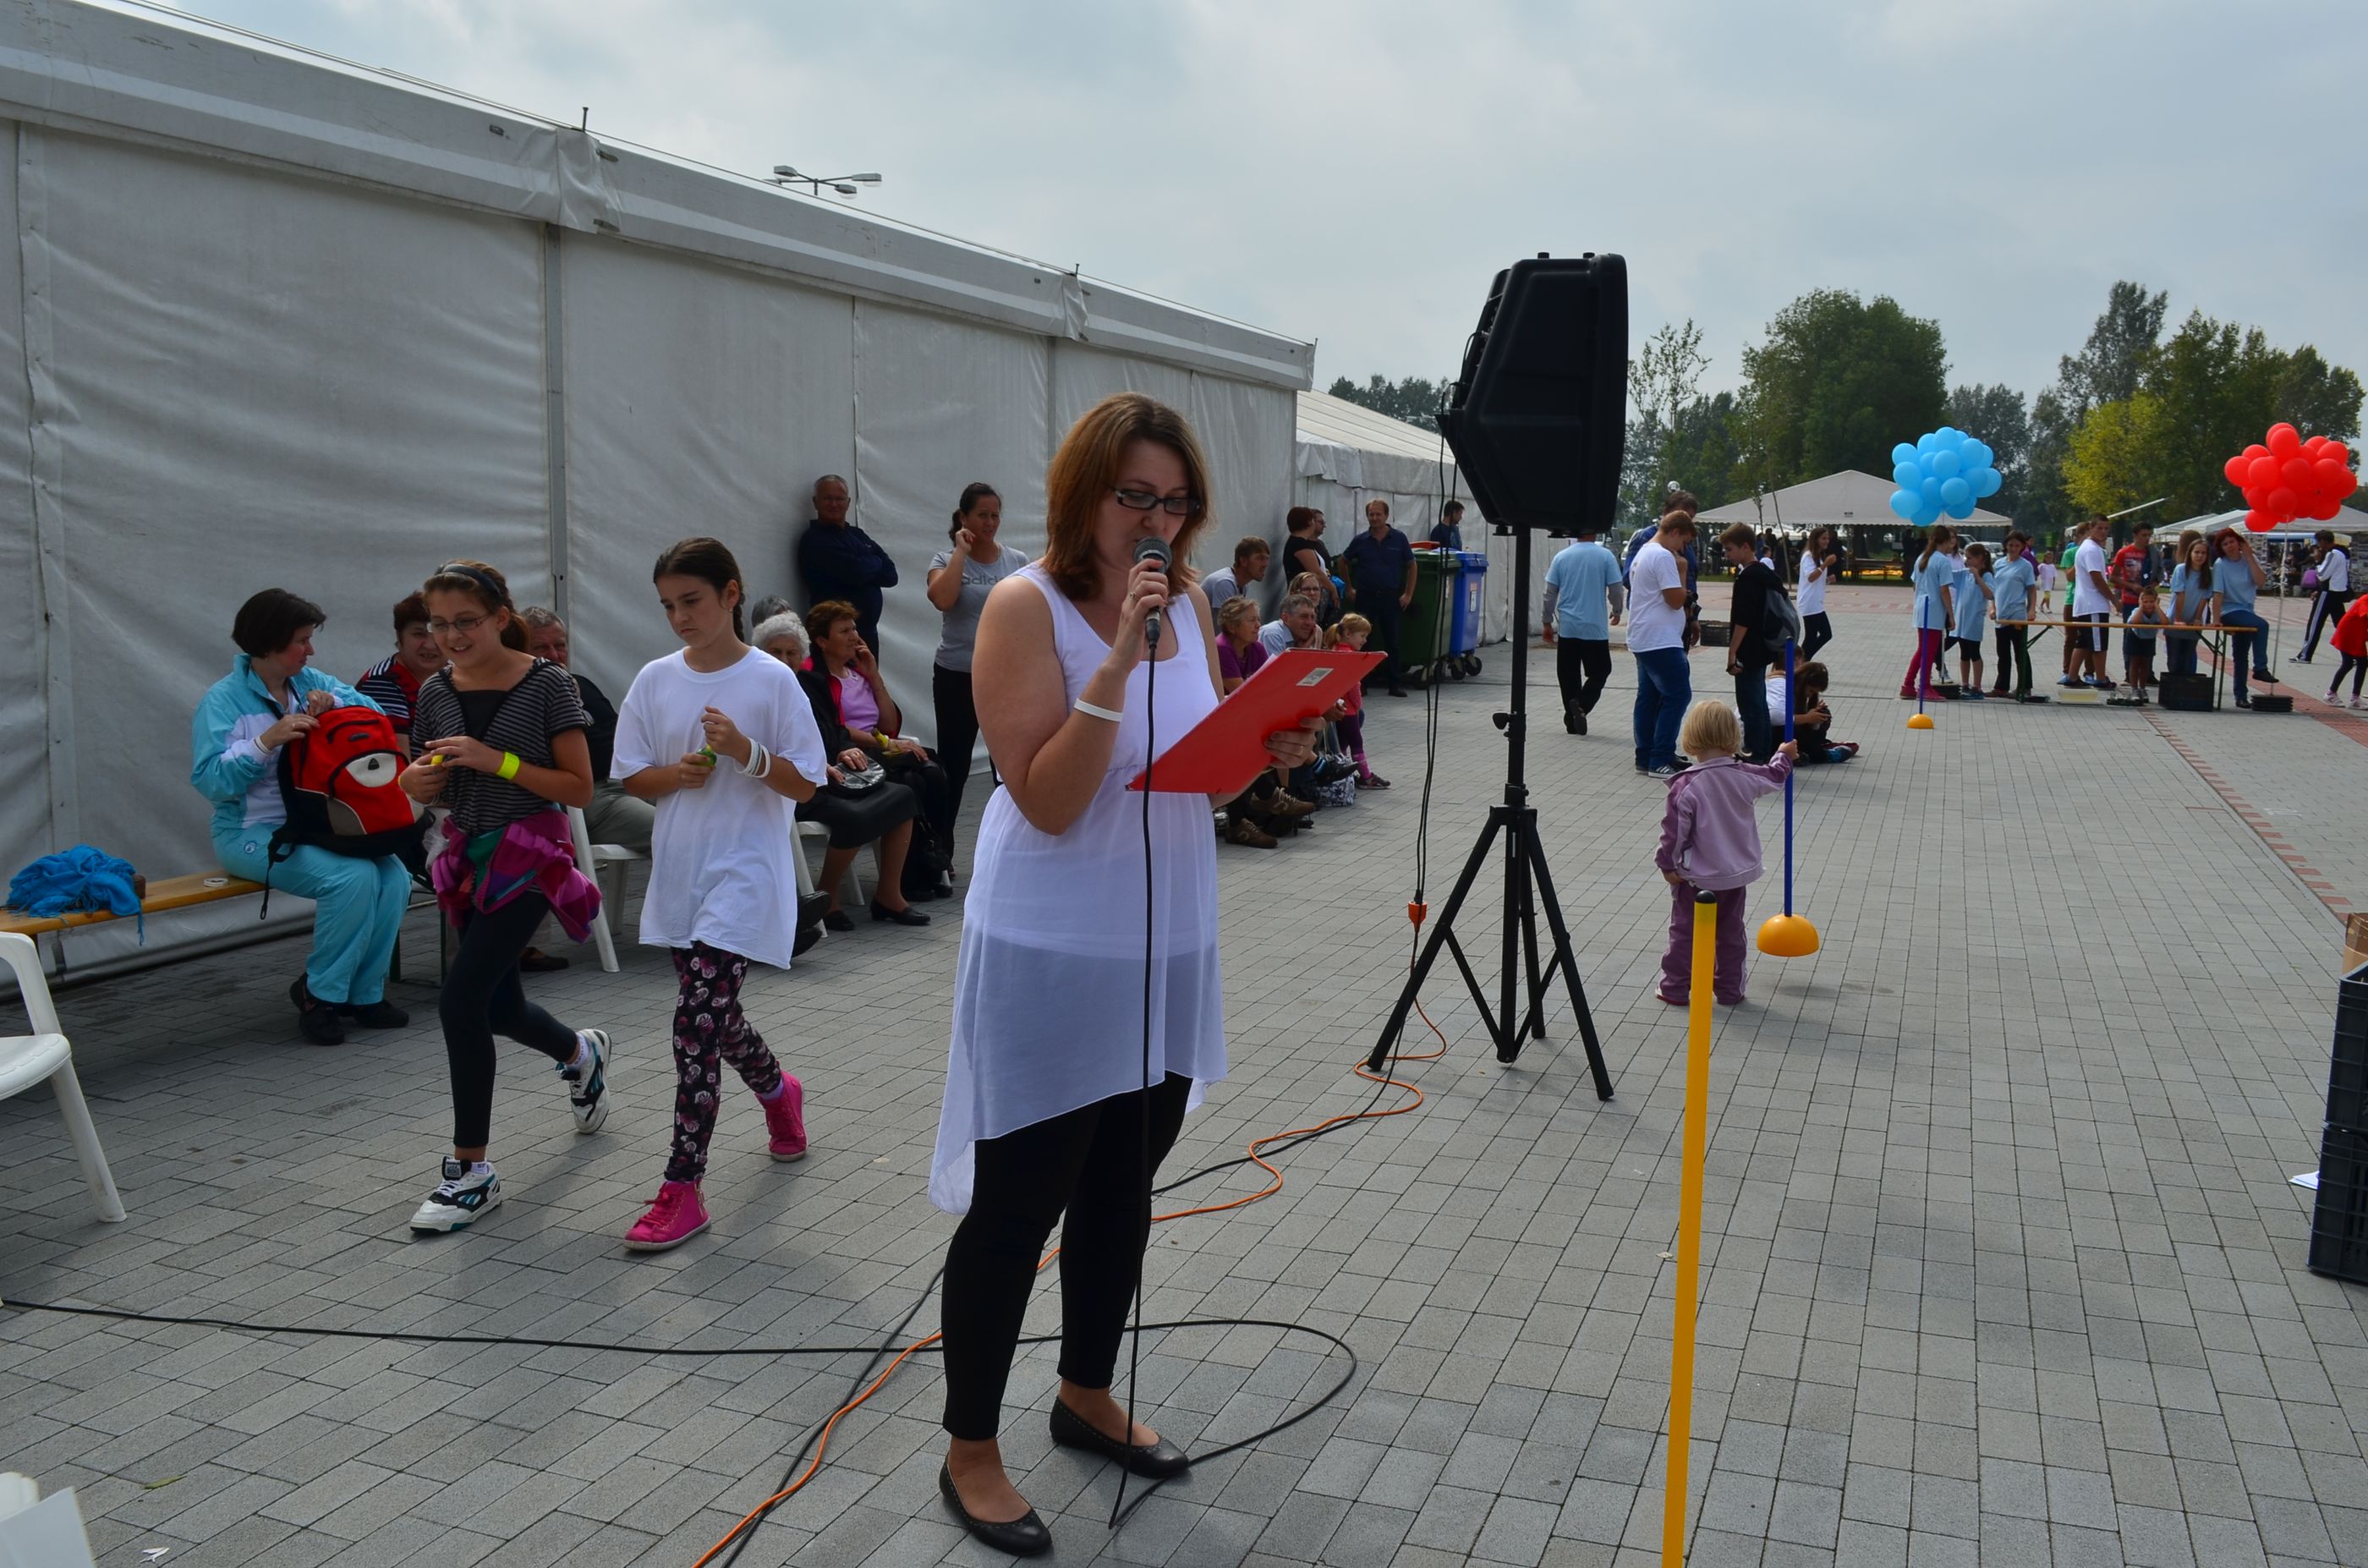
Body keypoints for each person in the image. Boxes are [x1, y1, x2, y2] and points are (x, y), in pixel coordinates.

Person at [929, 392, 1319, 1554]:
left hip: (1165, 931)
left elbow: (1193, 776)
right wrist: (1115, 655)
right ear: (1083, 494)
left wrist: (1264, 747)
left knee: (1121, 1185)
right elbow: (1049, 798)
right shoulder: (1024, 605)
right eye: (1136, 496)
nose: (1158, 521)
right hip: (1052, 939)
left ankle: (1086, 1391)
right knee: (1019, 1202)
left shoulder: (1190, 601)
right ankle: (969, 1448)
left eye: (1177, 501)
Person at [611, 538, 828, 1253]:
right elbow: (631, 775)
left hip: (746, 873)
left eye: (692, 600)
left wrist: (745, 752)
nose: (680, 616)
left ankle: (683, 1188)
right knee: (715, 1018)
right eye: (668, 605)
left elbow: (807, 783)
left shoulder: (772, 679)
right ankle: (779, 1092)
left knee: (694, 1023)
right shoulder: (654, 679)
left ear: (732, 594)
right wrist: (675, 775)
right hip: (683, 871)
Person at [397, 561, 609, 1234]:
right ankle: (580, 1054)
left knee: (460, 1000)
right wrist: (414, 782)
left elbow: (579, 788)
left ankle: (471, 1173)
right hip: (467, 856)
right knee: (499, 1006)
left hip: (533, 856)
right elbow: (428, 777)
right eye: (439, 624)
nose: (451, 636)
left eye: (466, 621)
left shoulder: (547, 684)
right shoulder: (436, 690)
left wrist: (499, 761)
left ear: (498, 617)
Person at [193, 589, 412, 1048]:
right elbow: (211, 782)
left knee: (394, 876)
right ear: (269, 642)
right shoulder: (223, 701)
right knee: (351, 879)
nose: (310, 650)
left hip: (317, 825)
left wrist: (338, 705)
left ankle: (364, 995)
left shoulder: (310, 680)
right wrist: (265, 742)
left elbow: (377, 717)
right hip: (249, 832)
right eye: (301, 640)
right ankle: (320, 995)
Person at [756, 611, 929, 928]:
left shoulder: (810, 683)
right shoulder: (755, 692)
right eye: (775, 652)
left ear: (802, 656)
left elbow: (834, 729)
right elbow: (759, 746)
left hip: (830, 775)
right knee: (855, 816)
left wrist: (842, 749)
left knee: (903, 796)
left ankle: (889, 894)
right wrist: (816, 763)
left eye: (791, 652)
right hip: (789, 786)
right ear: (760, 654)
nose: (783, 659)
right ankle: (828, 893)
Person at [1653, 699, 1795, 1006]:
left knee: (1685, 933)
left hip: (1696, 878)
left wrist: (1668, 865)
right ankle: (1730, 989)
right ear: (1733, 736)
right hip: (1734, 874)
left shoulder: (1686, 785)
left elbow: (1673, 833)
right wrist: (1783, 755)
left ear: (1691, 737)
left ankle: (1675, 987)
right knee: (1731, 933)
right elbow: (1775, 777)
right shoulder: (1745, 775)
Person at [806, 599, 941, 919]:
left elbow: (889, 724)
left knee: (929, 776)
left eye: (854, 628)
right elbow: (834, 730)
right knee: (907, 784)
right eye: (844, 631)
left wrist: (874, 675)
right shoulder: (811, 676)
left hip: (864, 752)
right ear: (821, 641)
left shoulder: (857, 672)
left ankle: (925, 867)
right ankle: (838, 892)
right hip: (841, 761)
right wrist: (885, 743)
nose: (854, 636)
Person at [928, 482, 1029, 840]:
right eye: (982, 515)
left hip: (1004, 678)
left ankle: (1014, 840)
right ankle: (941, 850)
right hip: (957, 675)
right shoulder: (944, 560)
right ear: (964, 517)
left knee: (1009, 764)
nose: (990, 523)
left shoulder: (1017, 561)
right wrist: (961, 551)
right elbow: (942, 599)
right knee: (954, 765)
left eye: (995, 516)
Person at [797, 474, 899, 653]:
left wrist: (866, 565)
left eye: (839, 499)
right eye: (828, 498)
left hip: (867, 635)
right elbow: (857, 572)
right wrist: (875, 561)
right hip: (833, 637)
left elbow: (891, 576)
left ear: (848, 502)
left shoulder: (858, 535)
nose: (834, 504)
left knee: (868, 673)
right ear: (815, 502)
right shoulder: (814, 540)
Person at [1628, 507, 1694, 778]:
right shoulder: (1663, 556)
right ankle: (1660, 758)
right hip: (1660, 640)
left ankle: (1645, 756)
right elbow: (1675, 600)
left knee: (1649, 697)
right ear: (1675, 532)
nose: (1682, 549)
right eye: (1683, 542)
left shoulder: (1644, 552)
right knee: (1678, 695)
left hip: (1644, 636)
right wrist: (1682, 571)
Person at [1542, 523, 1624, 736]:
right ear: (1595, 532)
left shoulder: (1562, 557)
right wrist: (1616, 610)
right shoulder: (1605, 556)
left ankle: (1572, 721)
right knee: (1601, 671)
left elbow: (1550, 593)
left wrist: (1547, 621)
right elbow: (1616, 588)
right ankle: (1582, 704)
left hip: (1568, 627)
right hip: (1594, 626)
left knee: (1568, 675)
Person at [1340, 498, 1416, 696]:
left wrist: (1408, 593)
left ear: (1386, 516)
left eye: (1378, 514)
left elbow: (1412, 565)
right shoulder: (1360, 540)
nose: (1374, 518)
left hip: (1390, 597)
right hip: (1366, 596)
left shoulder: (1399, 538)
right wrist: (1349, 588)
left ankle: (1394, 684)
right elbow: (1343, 561)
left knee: (1393, 641)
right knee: (1363, 640)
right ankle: (1362, 684)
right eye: (1371, 514)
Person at [1718, 523, 1779, 760]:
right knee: (1759, 702)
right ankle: (1764, 750)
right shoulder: (1765, 572)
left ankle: (1755, 754)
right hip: (1763, 646)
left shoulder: (1748, 577)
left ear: (1745, 547)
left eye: (1730, 549)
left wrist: (1732, 651)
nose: (1727, 555)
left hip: (1749, 648)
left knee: (1749, 704)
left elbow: (1743, 619)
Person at [354, 593, 444, 753]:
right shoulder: (382, 682)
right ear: (399, 636)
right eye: (419, 634)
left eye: (439, 633)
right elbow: (398, 761)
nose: (430, 645)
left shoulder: (456, 674)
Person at [2209, 528, 2275, 708]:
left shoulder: (2249, 560)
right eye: (2225, 544)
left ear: (2239, 542)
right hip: (2229, 611)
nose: (2230, 546)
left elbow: (2260, 582)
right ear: (2221, 548)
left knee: (2240, 654)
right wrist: (2216, 619)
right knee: (2262, 625)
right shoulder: (2220, 564)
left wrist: (2249, 556)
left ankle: (2241, 696)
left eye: (2232, 542)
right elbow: (2217, 594)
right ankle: (2260, 667)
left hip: (2247, 610)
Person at [1323, 613, 1387, 787]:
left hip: (1336, 707)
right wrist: (1358, 706)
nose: (1365, 640)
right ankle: (1366, 777)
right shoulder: (1350, 656)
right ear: (1348, 634)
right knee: (1356, 743)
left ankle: (1345, 775)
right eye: (1362, 636)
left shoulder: (1334, 650)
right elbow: (1354, 686)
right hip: (1349, 710)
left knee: (1342, 744)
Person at [1900, 526, 1957, 701]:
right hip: (1933, 610)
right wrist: (1951, 615)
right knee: (1929, 651)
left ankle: (1908, 685)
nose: (1952, 545)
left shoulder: (1922, 558)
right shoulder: (1942, 561)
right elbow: (1944, 590)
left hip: (1921, 607)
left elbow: (1915, 585)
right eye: (1951, 541)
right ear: (1945, 541)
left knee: (1923, 649)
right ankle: (1924, 687)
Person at [1768, 661, 1858, 764]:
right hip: (1768, 734)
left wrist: (1814, 719)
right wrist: (1807, 718)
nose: (1810, 696)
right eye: (1811, 691)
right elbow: (1774, 717)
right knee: (1790, 730)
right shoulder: (1781, 686)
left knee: (1822, 714)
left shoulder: (1795, 689)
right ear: (1803, 683)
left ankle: (1807, 750)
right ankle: (1823, 755)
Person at [2064, 517, 2116, 691]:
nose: (2103, 532)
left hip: (2086, 604)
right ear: (2091, 528)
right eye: (2099, 528)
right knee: (2098, 645)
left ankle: (2072, 676)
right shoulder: (2091, 550)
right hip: (2093, 604)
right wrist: (2114, 599)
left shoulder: (2090, 548)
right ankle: (2100, 678)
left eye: (2106, 529)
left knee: (2084, 642)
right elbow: (2097, 578)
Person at [1989, 532, 2038, 702]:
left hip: (2017, 613)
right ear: (2006, 546)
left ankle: (2025, 686)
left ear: (2022, 547)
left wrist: (2031, 610)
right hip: (2001, 614)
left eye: (2017, 546)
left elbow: (2031, 589)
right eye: (2010, 545)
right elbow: (1994, 588)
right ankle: (2001, 687)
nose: (2013, 549)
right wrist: (1993, 607)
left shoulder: (2025, 566)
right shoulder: (1999, 564)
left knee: (2020, 651)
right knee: (2002, 653)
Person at [2298, 529, 2353, 664]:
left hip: (2328, 593)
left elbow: (2323, 575)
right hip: (2337, 593)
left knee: (2315, 624)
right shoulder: (2342, 553)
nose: (2318, 546)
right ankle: (2352, 654)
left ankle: (2305, 655)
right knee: (2341, 625)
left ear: (2323, 541)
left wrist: (2317, 562)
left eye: (2319, 542)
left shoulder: (2333, 554)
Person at [2165, 533, 2215, 681]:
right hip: (2176, 620)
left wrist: (2198, 618)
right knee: (2174, 661)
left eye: (2203, 553)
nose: (2200, 556)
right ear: (2190, 553)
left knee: (2187, 660)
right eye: (2196, 552)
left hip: (2193, 623)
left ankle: (2185, 688)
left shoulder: (2209, 573)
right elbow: (2180, 595)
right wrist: (2178, 619)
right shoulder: (2181, 569)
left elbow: (2204, 599)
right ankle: (2174, 686)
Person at [1279, 507, 1337, 622]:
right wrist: (1333, 589)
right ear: (1309, 522)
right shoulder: (1300, 544)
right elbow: (1316, 572)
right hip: (1303, 597)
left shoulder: (1300, 543)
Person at [1953, 544, 1993, 699]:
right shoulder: (1964, 574)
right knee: (1964, 653)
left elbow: (1990, 594)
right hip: (1961, 620)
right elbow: (1949, 576)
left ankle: (1977, 686)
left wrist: (1978, 577)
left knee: (1974, 652)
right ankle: (1965, 684)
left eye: (1969, 558)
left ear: (1980, 558)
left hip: (1974, 620)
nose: (1966, 560)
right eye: (1966, 557)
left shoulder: (1986, 575)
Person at [1796, 525, 1838, 662]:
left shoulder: (1819, 557)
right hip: (1809, 602)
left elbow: (1816, 579)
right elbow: (1810, 577)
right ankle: (1801, 662)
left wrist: (1828, 579)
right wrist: (1825, 564)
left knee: (1826, 634)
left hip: (1817, 602)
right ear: (1816, 540)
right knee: (1811, 636)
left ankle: (1803, 660)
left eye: (1827, 538)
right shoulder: (1808, 556)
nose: (1827, 541)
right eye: (1823, 539)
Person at [1197, 534, 1271, 611]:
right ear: (1243, 561)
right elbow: (1224, 618)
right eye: (1260, 558)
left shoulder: (1243, 585)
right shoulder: (1225, 583)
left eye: (1267, 559)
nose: (1265, 564)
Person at [2124, 586, 2167, 701]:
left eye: (2152, 601)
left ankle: (2142, 688)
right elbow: (2136, 621)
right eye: (2145, 602)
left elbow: (2165, 622)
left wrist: (2157, 606)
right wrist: (2141, 607)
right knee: (2135, 662)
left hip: (2149, 638)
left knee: (2145, 663)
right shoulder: (2136, 611)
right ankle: (2134, 689)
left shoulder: (2157, 612)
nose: (2149, 605)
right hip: (2135, 636)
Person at [2327, 594, 2368, 709]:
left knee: (2353, 664)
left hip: (2356, 634)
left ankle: (2334, 694)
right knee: (2355, 663)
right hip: (2349, 634)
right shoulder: (2365, 599)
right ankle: (2337, 695)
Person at [2111, 523, 2158, 622]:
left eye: (2149, 535)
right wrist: (2131, 586)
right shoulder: (2123, 553)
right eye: (2144, 535)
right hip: (2129, 600)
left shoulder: (2153, 553)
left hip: (2148, 600)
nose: (2147, 538)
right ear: (2135, 536)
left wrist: (2151, 587)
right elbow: (2113, 577)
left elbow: (2159, 574)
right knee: (2130, 628)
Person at [1258, 592, 1321, 658]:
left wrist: (1305, 646)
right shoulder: (1272, 633)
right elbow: (1279, 665)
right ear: (1285, 618)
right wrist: (1304, 649)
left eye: (1313, 617)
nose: (1310, 623)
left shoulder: (1299, 637)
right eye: (1304, 617)